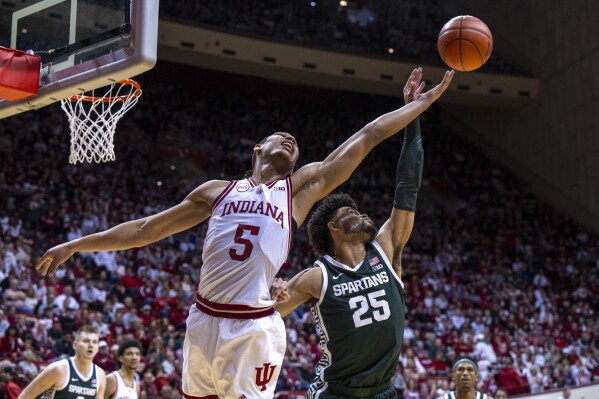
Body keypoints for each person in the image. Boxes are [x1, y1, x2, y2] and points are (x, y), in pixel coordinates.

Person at [35, 68, 454, 399]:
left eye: (296, 144)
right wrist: (77, 244)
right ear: (257, 149)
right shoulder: (215, 192)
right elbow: (144, 230)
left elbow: (369, 136)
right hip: (201, 319)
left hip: (252, 327)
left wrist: (420, 106)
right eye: (281, 137)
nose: (291, 140)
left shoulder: (298, 191)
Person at [273, 71, 429, 398]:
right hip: (336, 394)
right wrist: (270, 290)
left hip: (385, 392)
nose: (362, 215)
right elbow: (260, 312)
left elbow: (408, 187)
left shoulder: (386, 250)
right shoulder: (317, 277)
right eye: (351, 213)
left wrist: (413, 115)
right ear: (333, 227)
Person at [17, 325, 106, 399]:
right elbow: (24, 396)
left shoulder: (100, 375)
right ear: (75, 345)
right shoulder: (58, 369)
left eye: (95, 342)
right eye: (86, 341)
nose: (91, 345)